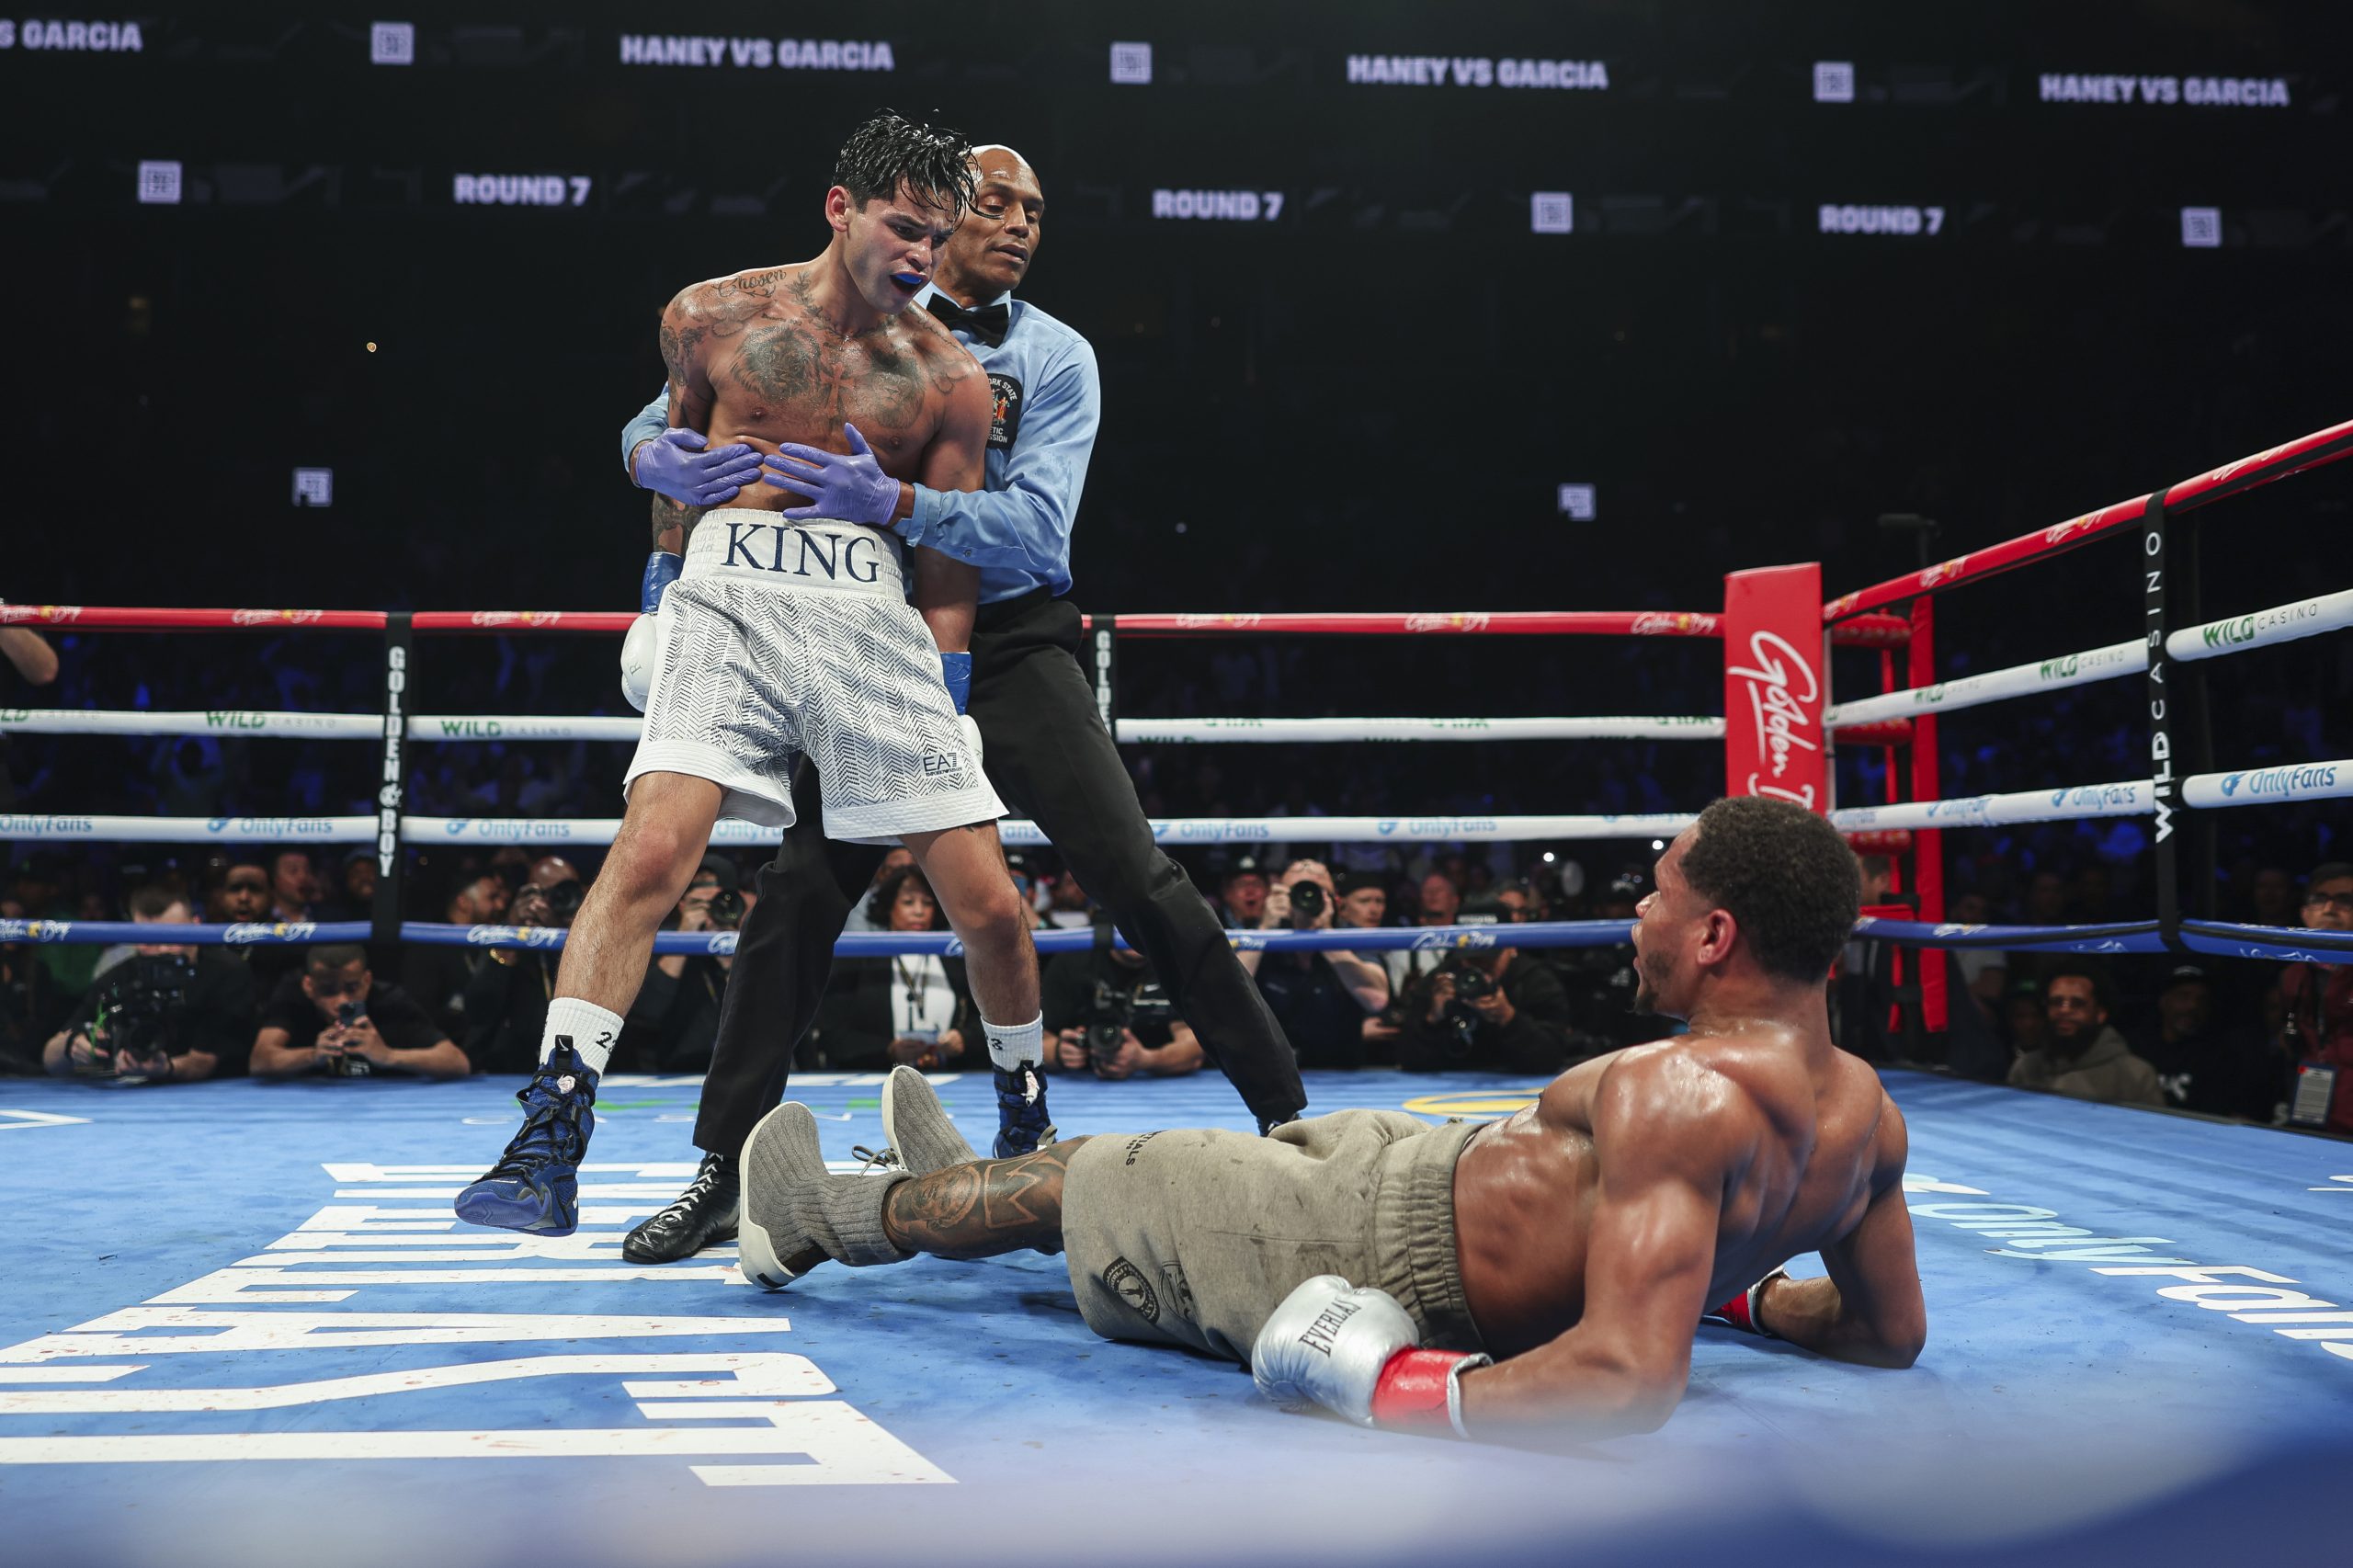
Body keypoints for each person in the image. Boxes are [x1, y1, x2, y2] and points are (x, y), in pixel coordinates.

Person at [618, 138, 1306, 1264]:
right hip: (862, 633)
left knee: (1133, 871)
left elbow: (1038, 531)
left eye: (1037, 209)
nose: (1021, 225)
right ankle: (721, 1171)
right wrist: (653, 455)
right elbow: (659, 418)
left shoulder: (1060, 357)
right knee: (796, 895)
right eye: (994, 204)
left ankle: (1284, 1112)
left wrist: (888, 497)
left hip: (1013, 641)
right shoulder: (841, 315)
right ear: (929, 216)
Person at [739, 797, 1923, 1442]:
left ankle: (824, 1216)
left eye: (1658, 890)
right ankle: (991, 1188)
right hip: (1417, 1173)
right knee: (1168, 1165)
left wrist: (1396, 1387)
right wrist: (1735, 1279)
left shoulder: (1682, 1093)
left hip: (1373, 1246)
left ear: (1716, 936)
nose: (1635, 913)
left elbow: (1625, 1378)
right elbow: (1884, 1332)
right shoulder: (1864, 1113)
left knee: (1098, 1173)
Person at [456, 112, 1041, 1239]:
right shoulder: (708, 315)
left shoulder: (951, 380)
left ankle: (1023, 1125)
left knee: (993, 907)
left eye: (935, 236)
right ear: (840, 208)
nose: (921, 256)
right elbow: (675, 462)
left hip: (868, 610)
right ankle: (551, 1131)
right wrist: (653, 590)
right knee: (654, 850)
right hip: (727, 589)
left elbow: (950, 557)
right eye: (903, 229)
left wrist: (952, 681)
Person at [42, 885, 255, 1083]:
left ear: (195, 926)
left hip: (221, 1092)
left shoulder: (226, 972)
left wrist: (166, 1068)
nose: (162, 949)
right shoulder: (117, 978)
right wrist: (72, 1046)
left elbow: (205, 1061)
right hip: (129, 1098)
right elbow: (50, 1058)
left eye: (172, 937)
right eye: (149, 941)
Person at [813, 865, 974, 1074]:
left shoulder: (955, 956)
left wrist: (965, 1040)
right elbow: (832, 1035)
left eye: (927, 903)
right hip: (874, 1075)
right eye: (908, 902)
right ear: (889, 906)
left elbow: (985, 1019)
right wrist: (887, 1049)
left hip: (953, 1075)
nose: (919, 911)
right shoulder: (858, 959)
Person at [1239, 858, 1388, 1069]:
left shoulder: (1353, 939)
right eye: (1298, 890)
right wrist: (1265, 928)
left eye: (1317, 891)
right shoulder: (1259, 940)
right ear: (1280, 897)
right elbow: (1226, 995)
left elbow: (1377, 999)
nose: (1306, 899)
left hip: (1342, 1073)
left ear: (1333, 901)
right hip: (1273, 1072)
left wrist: (1326, 937)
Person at [251, 944, 470, 1080]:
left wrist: (389, 1056)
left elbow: (456, 1061)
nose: (341, 1001)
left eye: (351, 988)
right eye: (328, 990)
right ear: (309, 986)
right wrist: (311, 1055)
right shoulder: (294, 997)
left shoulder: (390, 1002)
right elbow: (260, 1061)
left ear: (366, 981)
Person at [1040, 930, 1204, 1081]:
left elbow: (1195, 1047)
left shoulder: (1176, 964)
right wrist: (1059, 1052)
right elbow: (1036, 1040)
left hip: (1160, 1082)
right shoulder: (1072, 960)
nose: (1134, 931)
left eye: (1141, 923)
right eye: (1126, 922)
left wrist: (1148, 1059)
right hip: (1080, 1082)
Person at [2006, 965, 2163, 1107]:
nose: (2064, 1010)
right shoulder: (2025, 1067)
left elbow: (2152, 1135)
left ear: (2100, 1013)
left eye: (2077, 1003)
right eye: (2056, 1002)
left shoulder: (2137, 1075)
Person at [2271, 861, 2353, 1132]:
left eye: (2345, 900)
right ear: (2305, 913)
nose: (2330, 909)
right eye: (2320, 900)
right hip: (2312, 1118)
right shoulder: (2291, 977)